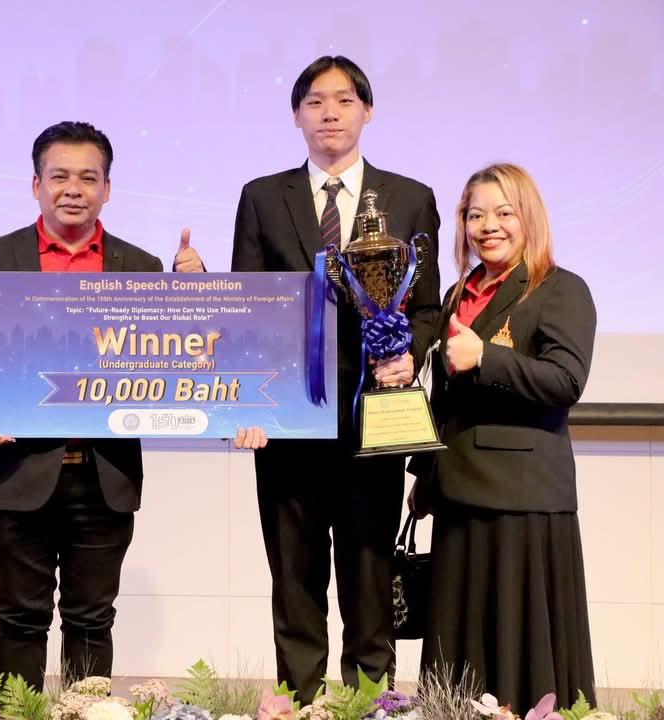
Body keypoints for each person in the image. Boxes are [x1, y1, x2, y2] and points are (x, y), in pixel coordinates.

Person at [205, 55, 442, 697]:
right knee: (294, 577)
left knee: (369, 578)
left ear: (367, 110)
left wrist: (410, 353)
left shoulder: (409, 197)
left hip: (374, 418)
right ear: (296, 116)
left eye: (343, 100)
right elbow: (247, 309)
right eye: (314, 101)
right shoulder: (262, 197)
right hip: (289, 422)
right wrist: (242, 404)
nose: (329, 113)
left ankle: (372, 703)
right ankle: (300, 702)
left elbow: (426, 309)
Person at [0, 121, 164, 691]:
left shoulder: (141, 267)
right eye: (60, 176)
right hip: (19, 470)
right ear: (36, 184)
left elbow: (170, 357)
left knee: (92, 620)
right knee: (20, 618)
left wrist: (194, 289)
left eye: (88, 178)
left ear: (107, 189)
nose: (74, 189)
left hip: (105, 474)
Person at [410, 163, 596, 713]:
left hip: (522, 500)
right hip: (457, 498)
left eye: (503, 213)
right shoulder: (457, 293)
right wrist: (425, 477)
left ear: (528, 218)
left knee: (521, 655)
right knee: (457, 659)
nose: (487, 226)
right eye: (475, 215)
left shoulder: (561, 289)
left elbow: (566, 381)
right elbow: (446, 400)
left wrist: (486, 357)